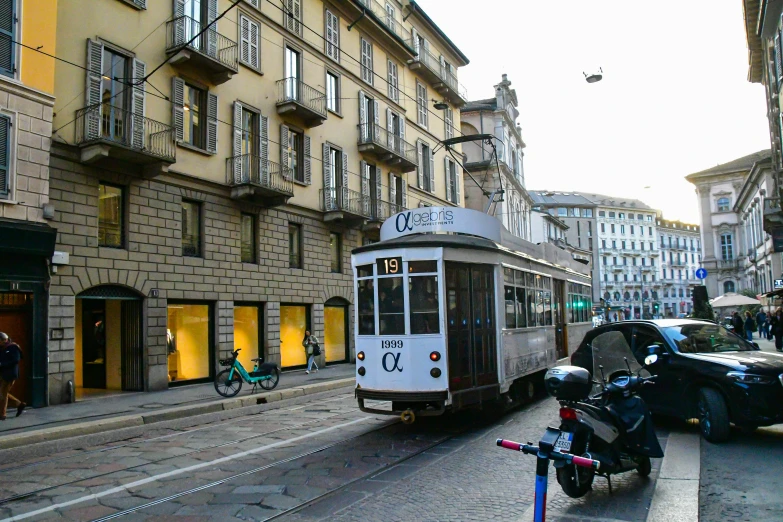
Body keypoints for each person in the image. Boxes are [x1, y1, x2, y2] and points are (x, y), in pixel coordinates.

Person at [0, 332, 25, 420]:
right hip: (2, 373)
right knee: (3, 392)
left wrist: (2, 364)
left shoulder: (13, 347)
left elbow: (16, 360)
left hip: (9, 374)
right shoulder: (2, 348)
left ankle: (2, 414)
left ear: (4, 340)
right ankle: (19, 404)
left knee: (2, 394)